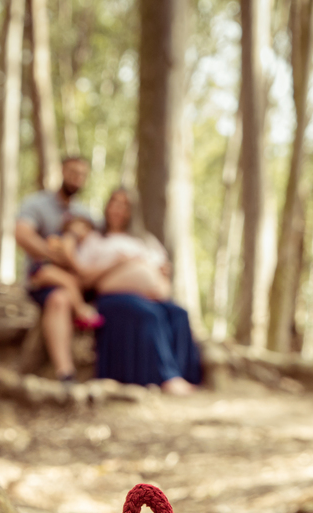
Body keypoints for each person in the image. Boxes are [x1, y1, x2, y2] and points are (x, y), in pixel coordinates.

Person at [70, 189, 201, 395]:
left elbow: (164, 274)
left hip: (150, 297)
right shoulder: (95, 239)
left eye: (125, 205)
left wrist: (160, 289)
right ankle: (166, 377)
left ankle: (185, 375)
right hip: (112, 298)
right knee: (149, 314)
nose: (119, 209)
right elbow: (83, 280)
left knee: (178, 313)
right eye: (115, 203)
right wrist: (116, 263)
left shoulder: (145, 240)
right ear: (107, 206)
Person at [13, 156, 102, 382]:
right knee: (60, 298)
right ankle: (65, 373)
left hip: (80, 281)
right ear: (62, 171)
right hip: (43, 280)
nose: (77, 178)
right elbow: (22, 234)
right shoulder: (37, 204)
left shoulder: (87, 214)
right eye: (73, 172)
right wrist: (54, 255)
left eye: (82, 174)